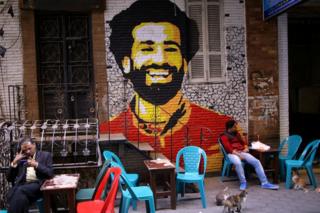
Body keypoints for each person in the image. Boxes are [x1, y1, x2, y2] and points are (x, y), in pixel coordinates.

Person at [100, 0, 231, 162]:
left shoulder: (219, 126)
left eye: (170, 48)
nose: (160, 59)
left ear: (184, 62)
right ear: (126, 63)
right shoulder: (109, 130)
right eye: (147, 49)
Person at [220, 120, 279, 190]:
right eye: (235, 126)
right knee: (238, 163)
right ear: (230, 127)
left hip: (242, 152)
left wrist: (246, 147)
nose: (236, 128)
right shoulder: (224, 136)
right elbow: (229, 149)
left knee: (256, 161)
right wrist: (239, 156)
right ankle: (243, 182)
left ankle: (264, 183)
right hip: (232, 154)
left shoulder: (237, 134)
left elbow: (243, 143)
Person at [6, 137, 53, 213]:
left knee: (18, 191)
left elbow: (50, 173)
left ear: (34, 145)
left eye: (29, 148)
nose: (27, 152)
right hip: (23, 186)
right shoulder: (21, 159)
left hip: (38, 185)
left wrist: (36, 165)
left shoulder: (45, 155)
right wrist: (14, 162)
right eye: (24, 150)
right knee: (22, 198)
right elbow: (9, 178)